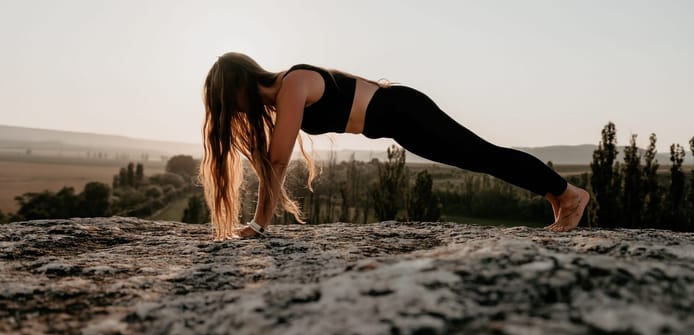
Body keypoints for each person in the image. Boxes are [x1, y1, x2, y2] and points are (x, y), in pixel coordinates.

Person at [200, 52, 590, 240]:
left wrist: (258, 225)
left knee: (481, 153)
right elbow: (274, 161)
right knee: (478, 159)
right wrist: (260, 223)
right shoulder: (282, 95)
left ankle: (568, 194)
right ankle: (557, 195)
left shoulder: (292, 84)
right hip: (399, 124)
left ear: (239, 85)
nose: (230, 111)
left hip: (403, 110)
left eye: (226, 102)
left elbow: (277, 161)